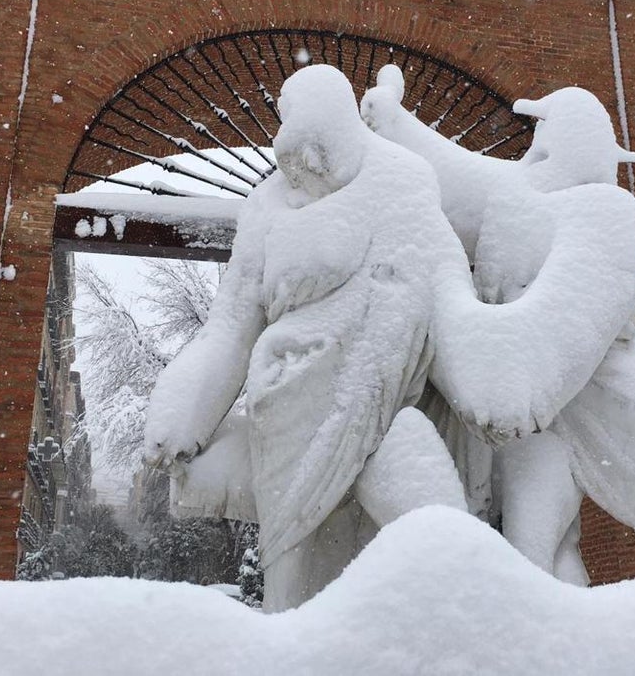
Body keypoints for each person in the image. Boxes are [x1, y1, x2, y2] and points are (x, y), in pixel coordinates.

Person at [362, 67, 635, 584]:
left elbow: (515, 384)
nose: (538, 153)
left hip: (612, 414)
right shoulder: (518, 200)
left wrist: (440, 271)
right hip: (544, 429)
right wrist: (394, 123)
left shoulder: (605, 215)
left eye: (545, 141)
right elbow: (456, 174)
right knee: (532, 555)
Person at [144, 64, 468, 611]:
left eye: (316, 160)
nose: (304, 176)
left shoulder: (403, 182)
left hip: (379, 414)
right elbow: (231, 324)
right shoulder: (266, 207)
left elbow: (444, 291)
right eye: (293, 164)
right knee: (292, 596)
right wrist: (180, 419)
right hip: (283, 418)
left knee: (438, 563)